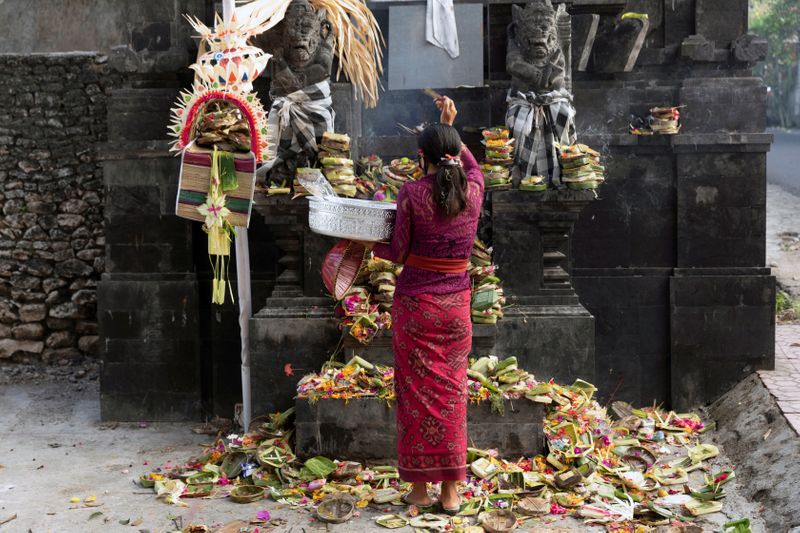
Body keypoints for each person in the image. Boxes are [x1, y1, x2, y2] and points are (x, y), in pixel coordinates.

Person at [363, 96, 484, 513]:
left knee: (415, 396)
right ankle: (451, 493)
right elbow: (472, 167)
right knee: (452, 396)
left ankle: (418, 490)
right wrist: (451, 126)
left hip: (416, 307)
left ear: (421, 157)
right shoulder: (474, 191)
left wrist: (363, 242)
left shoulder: (412, 193)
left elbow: (396, 252)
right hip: (456, 309)